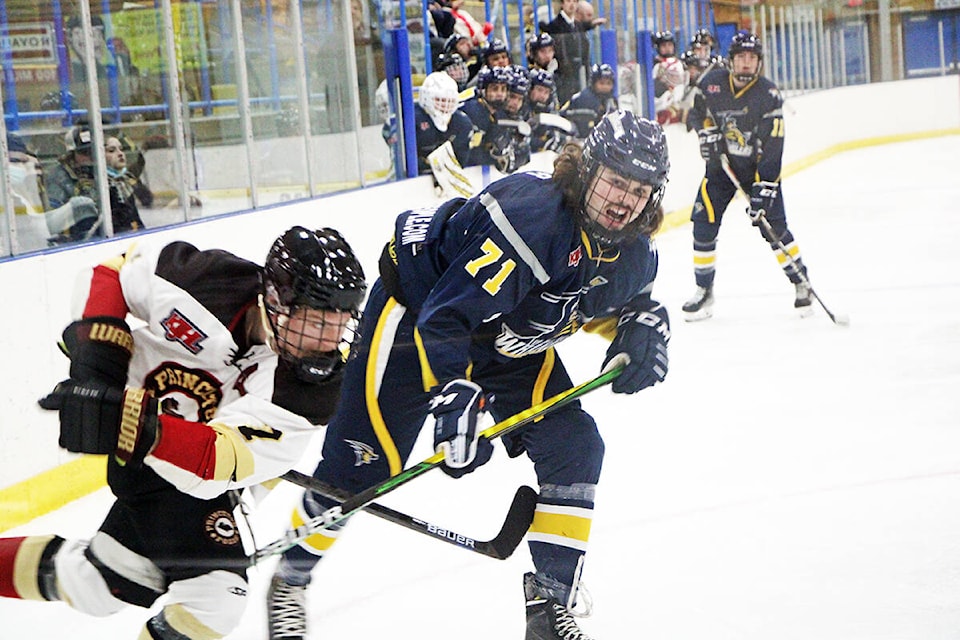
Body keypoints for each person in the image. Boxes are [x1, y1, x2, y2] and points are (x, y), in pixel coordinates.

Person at [265, 109, 671, 640]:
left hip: (503, 332)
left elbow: (594, 303)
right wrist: (455, 395)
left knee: (576, 444)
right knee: (362, 467)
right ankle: (290, 578)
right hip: (418, 312)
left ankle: (550, 607)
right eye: (616, 182)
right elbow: (448, 317)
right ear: (587, 170)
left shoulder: (634, 255)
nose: (624, 201)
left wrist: (641, 323)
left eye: (640, 191)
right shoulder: (531, 222)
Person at [0, 226, 367, 639]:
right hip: (142, 454)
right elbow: (111, 274)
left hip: (198, 478)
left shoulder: (312, 391)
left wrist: (133, 423)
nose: (330, 340)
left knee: (101, 584)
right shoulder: (205, 280)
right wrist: (95, 371)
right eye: (317, 321)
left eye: (341, 322)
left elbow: (220, 459)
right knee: (214, 600)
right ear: (277, 303)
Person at [681, 30, 813, 320]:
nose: (745, 63)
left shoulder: (768, 94)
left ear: (759, 63)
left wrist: (764, 188)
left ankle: (801, 282)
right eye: (741, 57)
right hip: (721, 169)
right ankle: (704, 291)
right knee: (703, 223)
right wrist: (706, 132)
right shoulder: (712, 84)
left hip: (756, 172)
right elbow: (696, 113)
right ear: (731, 60)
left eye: (751, 58)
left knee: (774, 229)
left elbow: (774, 146)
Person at [415, 72, 476, 197]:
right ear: (426, 98)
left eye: (449, 102)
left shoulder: (462, 123)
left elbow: (460, 162)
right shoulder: (412, 119)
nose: (444, 106)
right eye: (439, 100)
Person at [542, 0, 593, 105]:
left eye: (575, 1)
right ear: (562, 3)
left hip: (579, 76)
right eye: (568, 1)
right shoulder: (554, 26)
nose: (572, 4)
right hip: (563, 78)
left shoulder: (579, 26)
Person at [103, 135, 147, 234]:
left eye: (121, 149)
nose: (120, 154)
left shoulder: (126, 179)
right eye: (111, 150)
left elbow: (147, 200)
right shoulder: (100, 186)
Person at [561, 62, 618, 137]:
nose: (605, 87)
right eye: (601, 83)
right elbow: (585, 131)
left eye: (608, 83)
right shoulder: (585, 98)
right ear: (593, 83)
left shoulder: (611, 100)